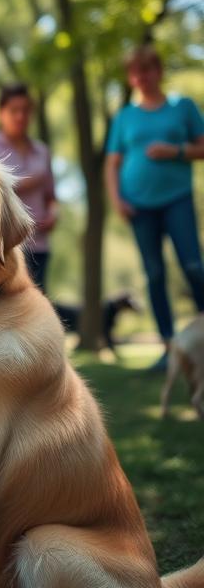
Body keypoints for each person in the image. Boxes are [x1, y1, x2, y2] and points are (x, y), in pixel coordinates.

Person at [105, 44, 204, 372]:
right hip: (138, 205)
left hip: (177, 198)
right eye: (135, 73)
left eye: (146, 70)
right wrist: (117, 199)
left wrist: (174, 151)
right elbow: (112, 163)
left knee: (192, 265)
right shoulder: (125, 117)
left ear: (158, 72)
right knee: (155, 274)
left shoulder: (182, 107)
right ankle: (169, 347)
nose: (141, 77)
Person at [0, 84, 59, 292]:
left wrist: (54, 214)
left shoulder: (41, 151)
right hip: (1, 246)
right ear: (0, 113)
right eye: (14, 110)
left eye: (26, 110)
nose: (20, 116)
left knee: (35, 304)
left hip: (39, 244)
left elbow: (51, 195)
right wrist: (28, 180)